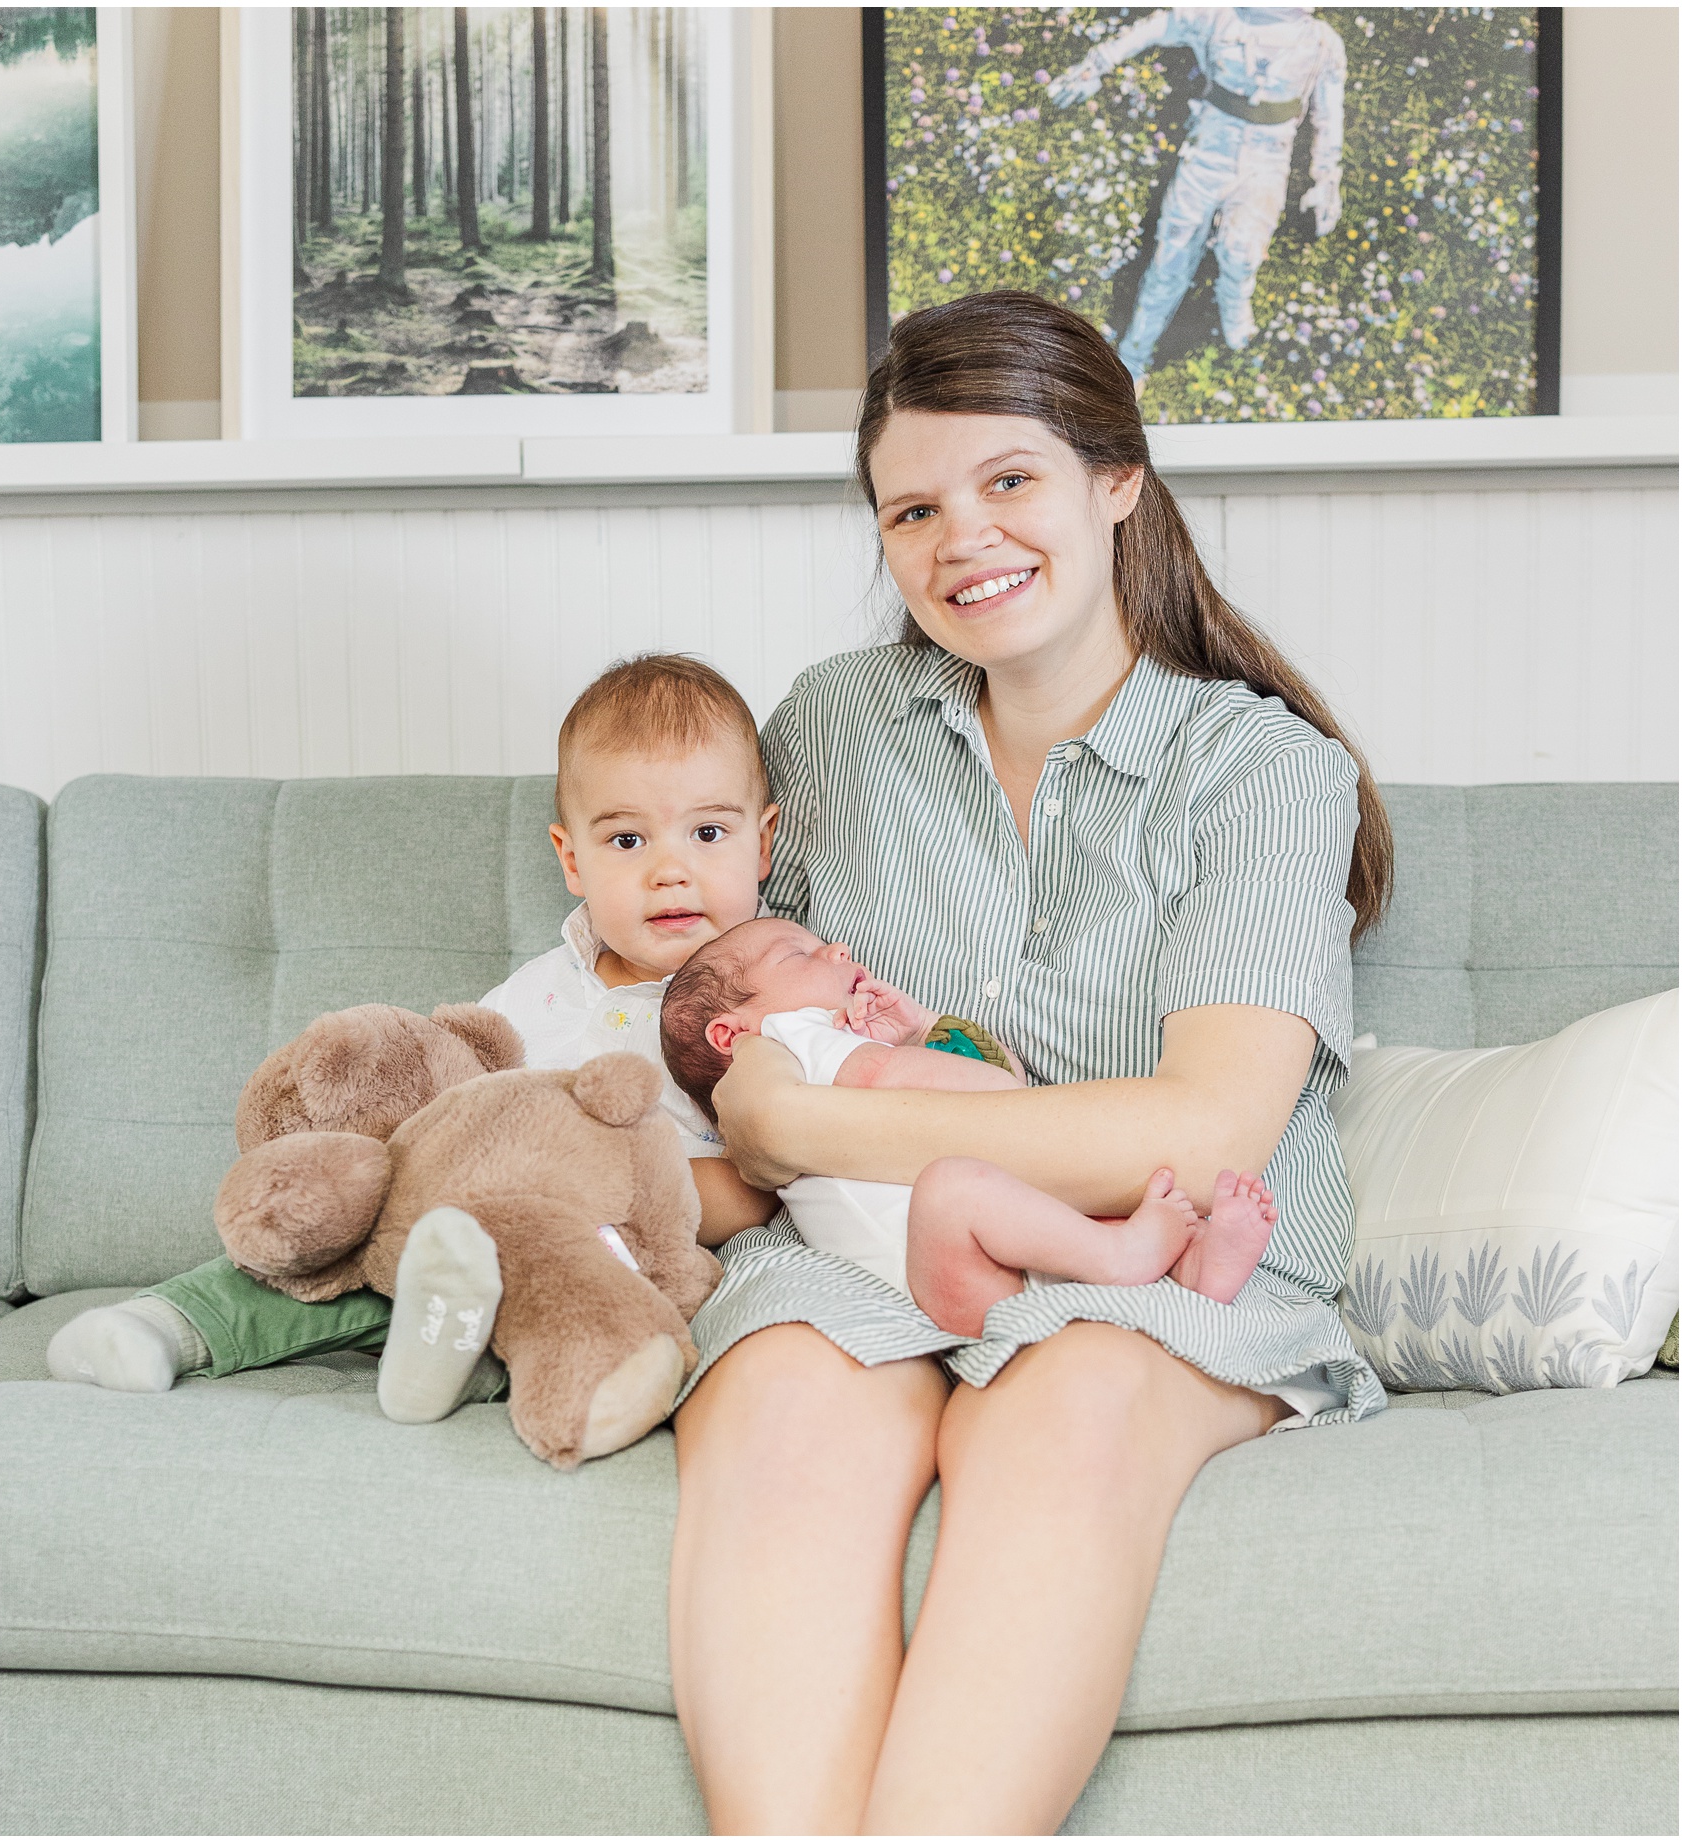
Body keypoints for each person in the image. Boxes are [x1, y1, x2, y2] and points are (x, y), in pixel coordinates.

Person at [667, 289, 1391, 1833]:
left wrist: (805, 1117)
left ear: (1115, 480)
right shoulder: (833, 725)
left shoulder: (1264, 768)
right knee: (786, 1391)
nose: (960, 540)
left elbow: (1209, 1133)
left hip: (1167, 1269)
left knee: (1066, 1401)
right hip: (857, 1266)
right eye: (911, 507)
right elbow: (708, 1002)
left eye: (1009, 481)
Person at [46, 655, 781, 1417]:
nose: (671, 870)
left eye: (706, 832)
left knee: (563, 1313)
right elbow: (453, 1103)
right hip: (455, 1228)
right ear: (572, 858)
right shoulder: (538, 990)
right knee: (342, 1251)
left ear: (761, 843)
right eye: (628, 841)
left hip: (604, 1254)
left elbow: (757, 1183)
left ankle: (447, 1358)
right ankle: (165, 1324)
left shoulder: (764, 1008)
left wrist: (597, 1190)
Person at [658, 915, 1280, 1335]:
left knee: (1033, 1189)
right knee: (955, 1186)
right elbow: (996, 1088)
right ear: (730, 1031)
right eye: (797, 953)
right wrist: (915, 1058)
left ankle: (1191, 1278)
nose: (837, 949)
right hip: (935, 1279)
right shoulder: (784, 1043)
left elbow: (990, 1068)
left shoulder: (834, 1047)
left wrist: (923, 1026)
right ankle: (1124, 1255)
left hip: (981, 1263)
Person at [1050, 7, 1346, 381]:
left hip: (1268, 160)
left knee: (1243, 251)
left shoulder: (1321, 41)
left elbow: (1328, 117)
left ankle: (1235, 303)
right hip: (1209, 149)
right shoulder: (1219, 15)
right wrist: (1097, 63)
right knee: (1171, 256)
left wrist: (1326, 177)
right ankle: (1134, 355)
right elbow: (1158, 25)